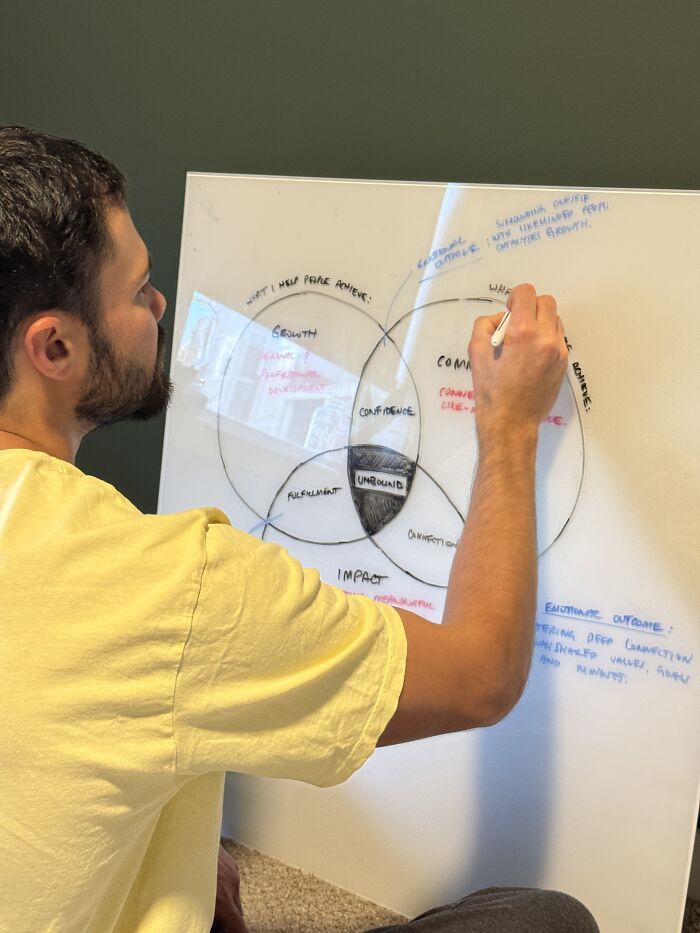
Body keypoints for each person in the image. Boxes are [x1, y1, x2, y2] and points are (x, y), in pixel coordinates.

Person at [0, 126, 598, 933]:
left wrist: (156, 847)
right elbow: (481, 673)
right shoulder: (164, 583)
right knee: (542, 920)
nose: (161, 304)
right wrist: (513, 425)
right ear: (57, 345)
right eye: (139, 288)